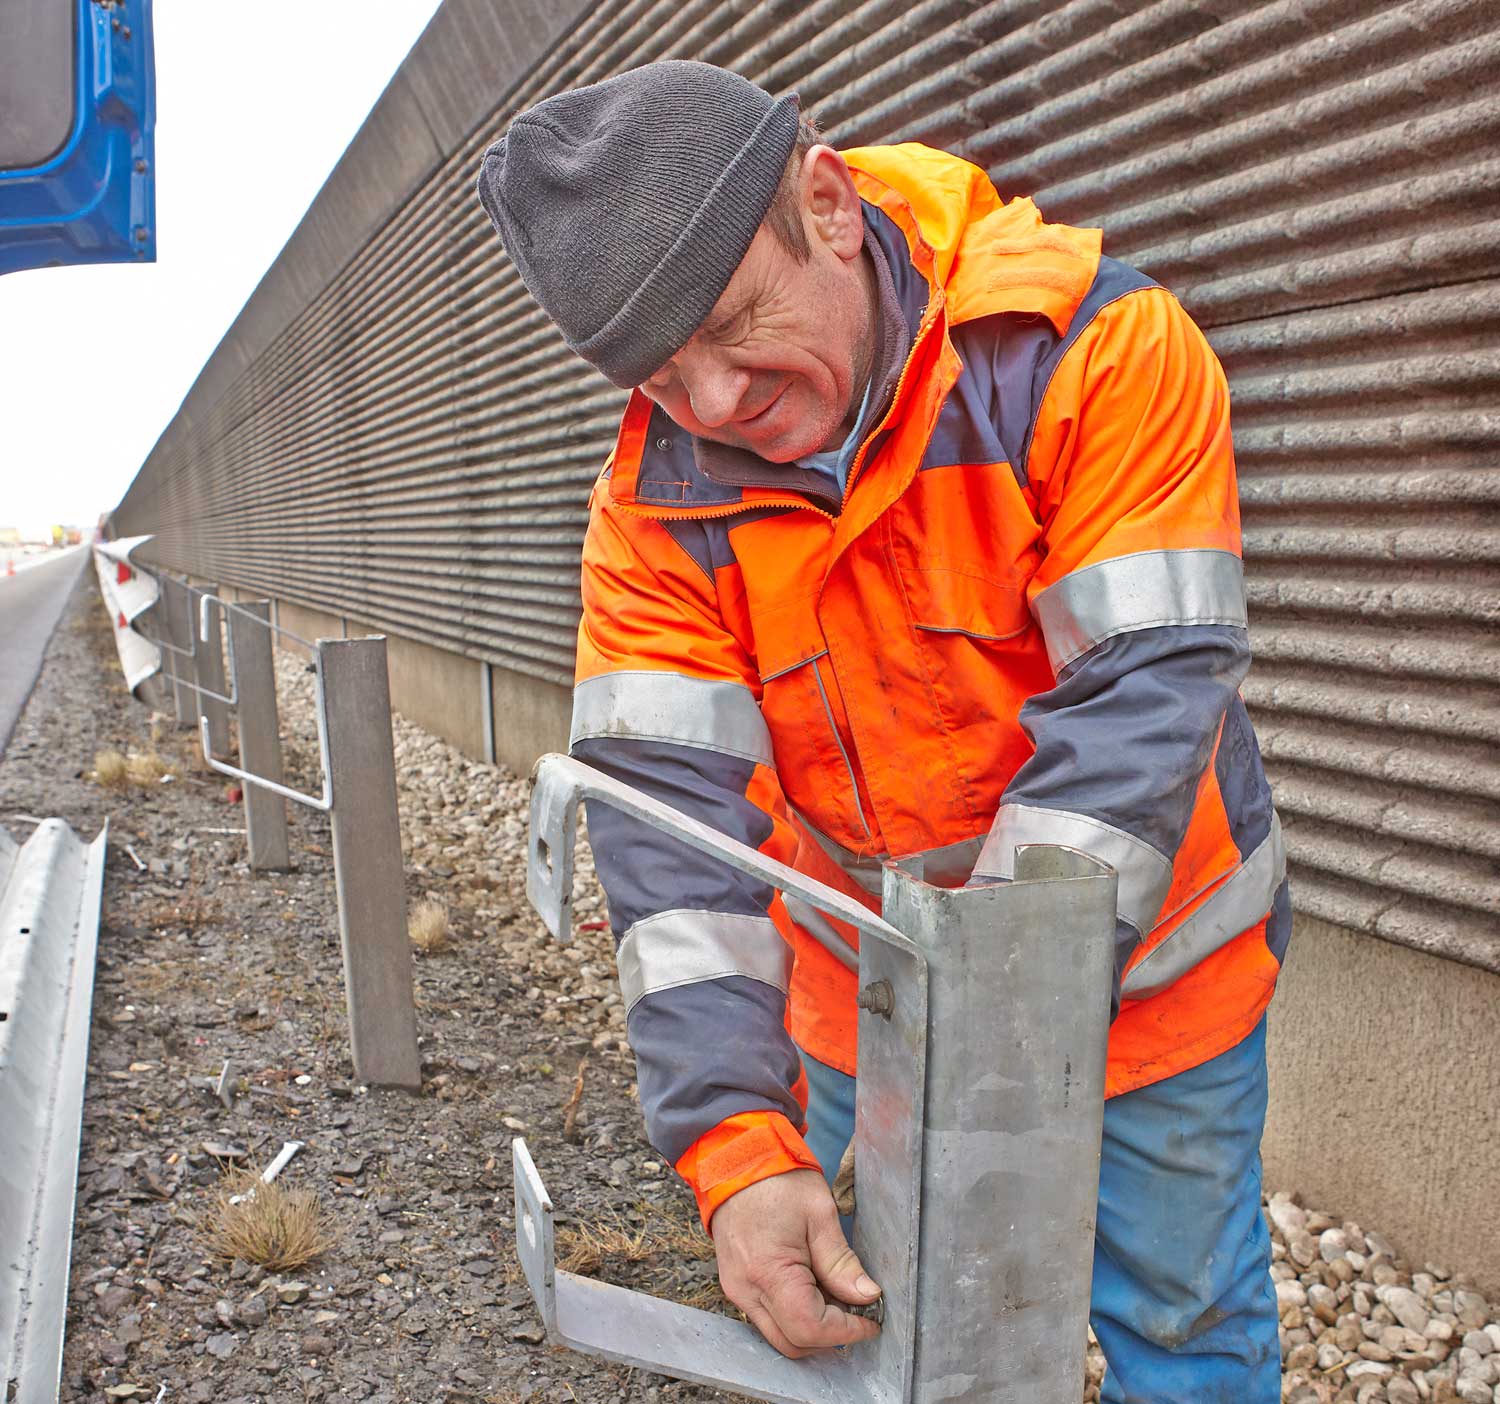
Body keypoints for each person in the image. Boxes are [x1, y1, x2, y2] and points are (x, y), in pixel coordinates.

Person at [477, 59, 1288, 1401]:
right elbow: (674, 847)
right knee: (894, 1344)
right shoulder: (649, 519)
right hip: (861, 1001)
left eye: (736, 329)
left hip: (1154, 992)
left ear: (831, 203)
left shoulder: (1096, 354)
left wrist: (986, 1058)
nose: (718, 407)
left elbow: (1135, 716)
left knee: (1188, 1329)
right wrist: (737, 1147)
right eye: (663, 380)